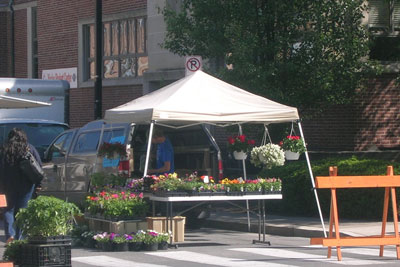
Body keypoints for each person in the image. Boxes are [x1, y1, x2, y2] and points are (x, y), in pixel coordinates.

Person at [0, 128, 42, 244]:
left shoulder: (4, 150)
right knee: (22, 211)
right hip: (26, 185)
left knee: (8, 210)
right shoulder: (29, 148)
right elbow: (38, 166)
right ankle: (20, 238)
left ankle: (10, 235)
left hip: (7, 184)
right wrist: (38, 184)